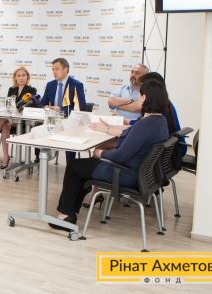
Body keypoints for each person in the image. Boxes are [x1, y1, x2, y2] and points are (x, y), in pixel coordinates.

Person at [50, 80, 170, 232]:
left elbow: (120, 155)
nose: (138, 99)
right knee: (83, 167)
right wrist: (108, 129)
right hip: (142, 174)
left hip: (126, 174)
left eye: (140, 96)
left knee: (75, 166)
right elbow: (130, 135)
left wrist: (100, 153)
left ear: (145, 97)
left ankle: (65, 215)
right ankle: (70, 212)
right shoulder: (160, 121)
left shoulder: (145, 125)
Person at [0, 66, 36, 169]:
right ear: (15, 78)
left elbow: (28, 106)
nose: (21, 78)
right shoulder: (12, 89)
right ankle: (5, 157)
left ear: (27, 77)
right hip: (10, 120)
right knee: (5, 125)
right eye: (19, 76)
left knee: (4, 120)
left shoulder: (31, 90)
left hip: (23, 122)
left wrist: (15, 109)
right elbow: (9, 105)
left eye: (23, 75)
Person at [39, 57, 86, 163]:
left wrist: (60, 110)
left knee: (69, 134)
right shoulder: (50, 85)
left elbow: (81, 108)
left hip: (69, 121)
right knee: (37, 131)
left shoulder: (76, 85)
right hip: (52, 120)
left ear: (66, 69)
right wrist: (46, 107)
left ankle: (70, 166)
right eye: (53, 69)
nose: (54, 72)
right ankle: (40, 160)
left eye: (57, 69)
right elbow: (42, 103)